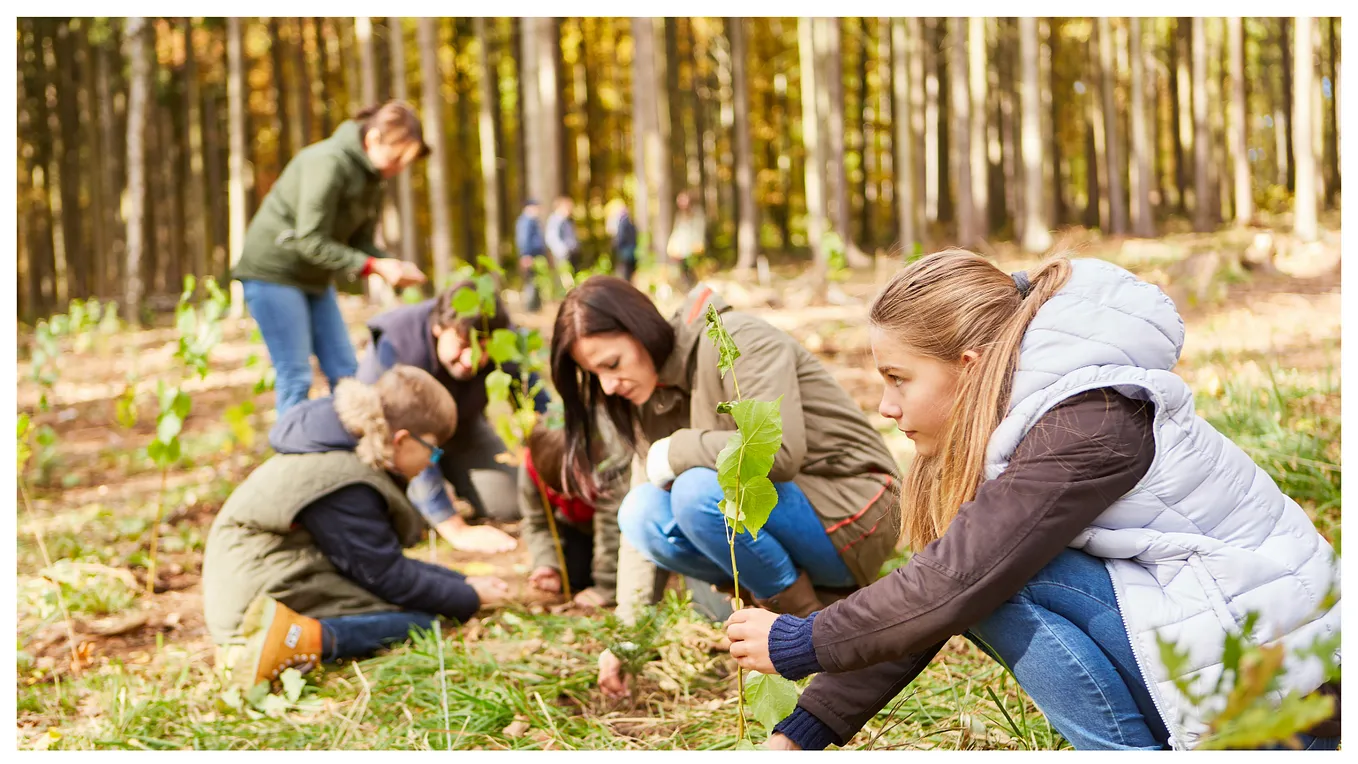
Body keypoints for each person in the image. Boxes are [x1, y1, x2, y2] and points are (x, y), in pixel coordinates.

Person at [722, 251, 1341, 751]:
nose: (886, 407)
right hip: (1228, 657)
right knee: (982, 572)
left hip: (1292, 708)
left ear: (969, 366)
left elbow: (953, 583)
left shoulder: (1089, 421)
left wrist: (803, 641)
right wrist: (804, 731)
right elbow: (943, 582)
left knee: (996, 578)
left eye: (897, 378)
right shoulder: (1032, 418)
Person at [549, 276, 901, 699]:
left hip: (858, 510)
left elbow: (778, 452)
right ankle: (798, 611)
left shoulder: (739, 340)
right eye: (595, 374)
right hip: (795, 524)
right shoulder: (645, 396)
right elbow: (640, 535)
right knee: (639, 512)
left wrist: (676, 448)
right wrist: (629, 639)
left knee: (696, 490)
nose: (608, 385)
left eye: (611, 364)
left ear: (640, 328)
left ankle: (809, 631)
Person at [204, 365, 510, 690]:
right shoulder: (345, 481)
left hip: (270, 574)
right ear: (402, 439)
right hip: (252, 604)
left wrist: (462, 582)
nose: (431, 462)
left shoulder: (343, 450)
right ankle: (298, 639)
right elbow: (386, 577)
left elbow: (380, 562)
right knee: (421, 623)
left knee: (428, 606)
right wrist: (467, 597)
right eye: (433, 450)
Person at [233, 100, 430, 415]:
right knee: (296, 377)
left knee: (347, 373)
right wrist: (373, 266)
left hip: (313, 278)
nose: (398, 169)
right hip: (273, 273)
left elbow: (360, 241)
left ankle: (349, 457)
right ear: (373, 138)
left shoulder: (373, 180)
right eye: (396, 158)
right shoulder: (327, 162)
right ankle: (294, 459)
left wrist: (389, 263)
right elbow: (309, 239)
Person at [356, 283, 552, 554]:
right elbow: (403, 436)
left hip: (462, 431)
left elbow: (538, 406)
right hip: (396, 448)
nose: (472, 359)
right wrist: (455, 529)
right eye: (462, 344)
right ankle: (422, 506)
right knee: (399, 526)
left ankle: (447, 485)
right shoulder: (398, 342)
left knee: (511, 501)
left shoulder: (500, 337)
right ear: (439, 328)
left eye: (483, 348)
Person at [520, 421, 629, 609]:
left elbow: (611, 525)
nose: (567, 497)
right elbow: (537, 521)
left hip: (617, 530)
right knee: (574, 577)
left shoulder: (609, 460)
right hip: (574, 527)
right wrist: (547, 563)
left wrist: (606, 587)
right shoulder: (532, 465)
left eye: (574, 489)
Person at [666, 191, 705, 290]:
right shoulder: (680, 215)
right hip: (682, 250)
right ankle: (689, 289)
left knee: (694, 271)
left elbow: (699, 229)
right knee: (684, 271)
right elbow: (677, 230)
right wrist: (672, 245)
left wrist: (698, 243)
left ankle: (697, 289)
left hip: (693, 248)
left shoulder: (697, 214)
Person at [516, 199, 548, 312]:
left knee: (535, 281)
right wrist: (525, 255)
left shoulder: (532, 221)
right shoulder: (526, 222)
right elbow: (523, 240)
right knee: (531, 282)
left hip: (536, 256)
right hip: (530, 256)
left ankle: (535, 307)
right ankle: (530, 308)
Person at [545, 196, 582, 273]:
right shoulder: (556, 220)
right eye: (568, 208)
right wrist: (562, 251)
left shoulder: (567, 220)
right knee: (565, 277)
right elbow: (551, 238)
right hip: (562, 255)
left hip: (571, 253)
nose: (570, 210)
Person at [605, 199, 638, 283]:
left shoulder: (622, 222)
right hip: (631, 250)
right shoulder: (630, 221)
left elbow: (621, 236)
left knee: (625, 272)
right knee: (629, 272)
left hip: (625, 250)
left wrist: (618, 246)